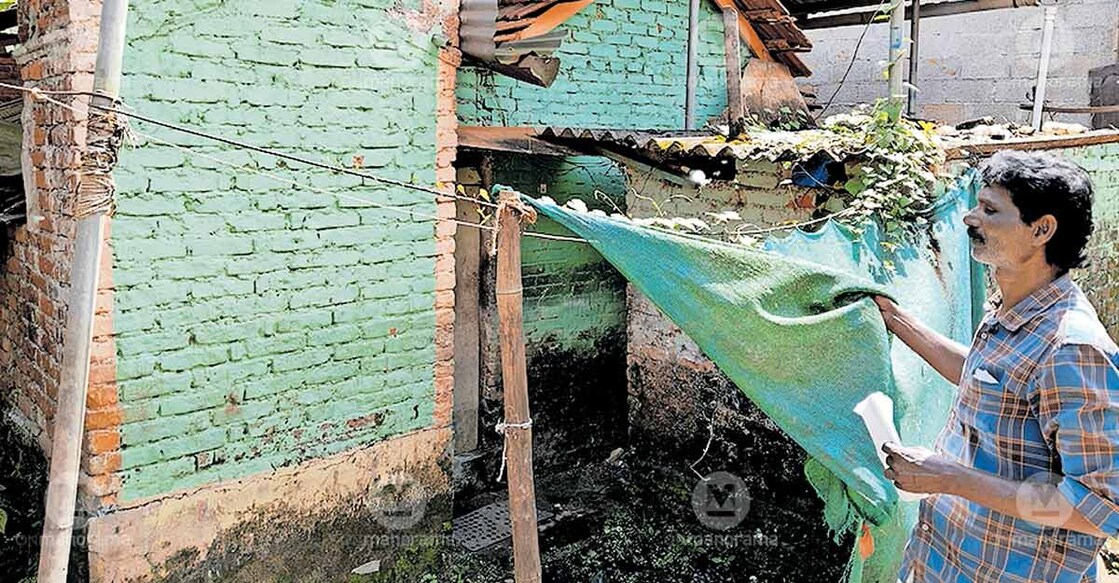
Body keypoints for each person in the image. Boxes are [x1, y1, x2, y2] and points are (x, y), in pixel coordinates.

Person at [873, 150, 1119, 582]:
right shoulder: (1012, 310)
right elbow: (993, 380)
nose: (970, 218)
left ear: (1041, 230)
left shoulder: (1071, 348)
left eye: (990, 209)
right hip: (943, 561)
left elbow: (1099, 508)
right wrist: (897, 321)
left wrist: (951, 478)